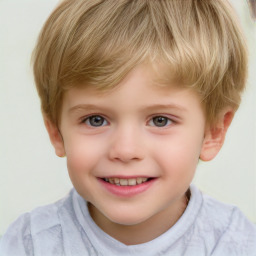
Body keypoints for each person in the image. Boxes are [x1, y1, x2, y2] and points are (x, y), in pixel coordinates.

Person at [1, 0, 256, 255]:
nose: (125, 150)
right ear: (56, 131)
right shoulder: (29, 245)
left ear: (213, 132)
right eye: (95, 120)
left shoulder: (237, 245)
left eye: (160, 120)